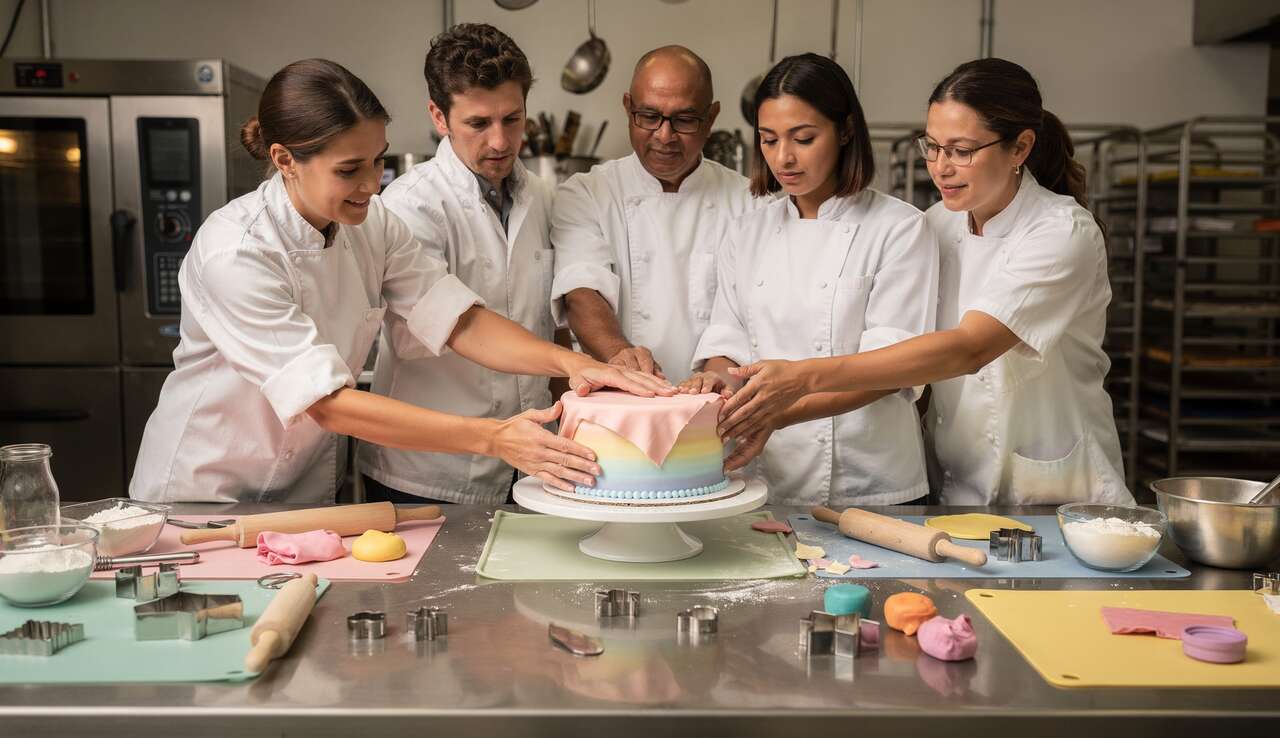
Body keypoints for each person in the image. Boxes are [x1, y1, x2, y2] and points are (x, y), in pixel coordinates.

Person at [129, 59, 670, 504]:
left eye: (377, 161)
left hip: (300, 492)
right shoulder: (237, 252)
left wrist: (575, 363)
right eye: (349, 170)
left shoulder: (373, 223)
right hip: (203, 493)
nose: (371, 184)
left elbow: (461, 320)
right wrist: (494, 439)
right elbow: (330, 404)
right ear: (284, 160)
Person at [717, 58, 1133, 506]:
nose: (941, 168)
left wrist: (801, 378)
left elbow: (968, 349)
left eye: (961, 150)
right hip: (957, 479)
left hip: (1060, 486)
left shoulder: (1061, 232)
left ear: (1020, 147)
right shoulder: (939, 224)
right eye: (932, 147)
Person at [681, 54, 938, 506]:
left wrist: (778, 412)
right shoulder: (747, 231)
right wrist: (716, 380)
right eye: (769, 139)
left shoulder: (899, 229)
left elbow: (892, 368)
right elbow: (729, 335)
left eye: (803, 138)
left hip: (871, 481)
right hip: (766, 471)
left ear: (844, 131)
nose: (784, 157)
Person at [358, 24, 564, 505]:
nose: (500, 141)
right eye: (478, 123)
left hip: (529, 459)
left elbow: (549, 318)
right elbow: (429, 333)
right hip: (426, 470)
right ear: (439, 116)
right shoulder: (411, 205)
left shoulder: (543, 197)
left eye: (512, 119)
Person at [551, 45, 759, 385]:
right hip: (618, 404)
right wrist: (620, 353)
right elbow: (581, 289)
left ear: (711, 118)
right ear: (628, 108)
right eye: (649, 117)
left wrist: (716, 380)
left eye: (685, 120)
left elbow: (744, 312)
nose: (665, 135)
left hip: (717, 408)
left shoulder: (751, 203)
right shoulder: (587, 192)